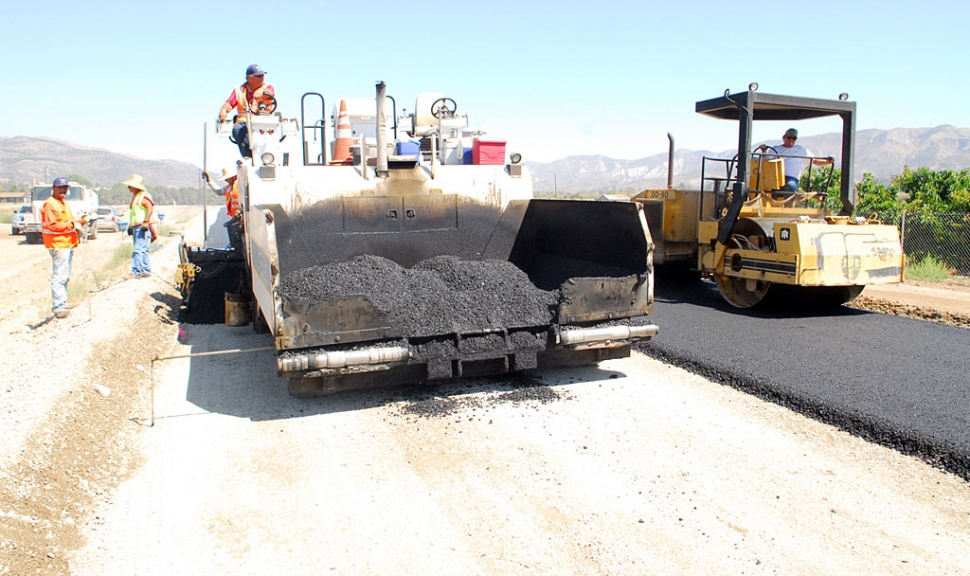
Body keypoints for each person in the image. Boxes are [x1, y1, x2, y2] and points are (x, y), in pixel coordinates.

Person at [41, 177, 86, 319]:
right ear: (53, 188)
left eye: (65, 188)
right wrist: (73, 225)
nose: (63, 190)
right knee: (59, 277)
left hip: (67, 243)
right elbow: (53, 225)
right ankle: (58, 307)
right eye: (60, 188)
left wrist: (78, 223)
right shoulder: (50, 204)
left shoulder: (63, 203)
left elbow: (67, 222)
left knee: (65, 276)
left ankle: (62, 302)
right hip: (58, 244)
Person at [218, 64, 276, 158]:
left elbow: (270, 93)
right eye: (258, 76)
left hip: (264, 123)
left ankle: (268, 158)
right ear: (249, 78)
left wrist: (263, 91)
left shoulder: (267, 87)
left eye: (262, 75)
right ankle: (248, 157)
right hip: (244, 122)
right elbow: (230, 103)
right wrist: (224, 110)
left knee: (267, 137)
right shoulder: (239, 90)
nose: (262, 77)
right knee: (237, 129)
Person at [758, 128, 833, 191]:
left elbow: (814, 161)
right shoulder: (775, 149)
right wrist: (764, 151)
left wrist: (828, 162)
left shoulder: (800, 149)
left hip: (791, 178)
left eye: (794, 138)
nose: (791, 140)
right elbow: (766, 162)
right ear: (784, 137)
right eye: (789, 138)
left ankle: (788, 206)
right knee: (767, 187)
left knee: (790, 186)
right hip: (775, 177)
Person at [202, 167, 245, 250]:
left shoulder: (241, 187)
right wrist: (209, 180)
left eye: (227, 178)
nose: (225, 181)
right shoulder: (229, 187)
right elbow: (219, 191)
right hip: (236, 219)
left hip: (244, 220)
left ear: (233, 177)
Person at [123, 174, 155, 278]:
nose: (128, 188)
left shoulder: (143, 196)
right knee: (143, 249)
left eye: (130, 186)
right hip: (136, 226)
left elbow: (149, 207)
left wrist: (146, 221)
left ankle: (136, 271)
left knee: (138, 249)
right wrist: (130, 226)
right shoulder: (136, 197)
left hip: (141, 227)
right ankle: (145, 270)